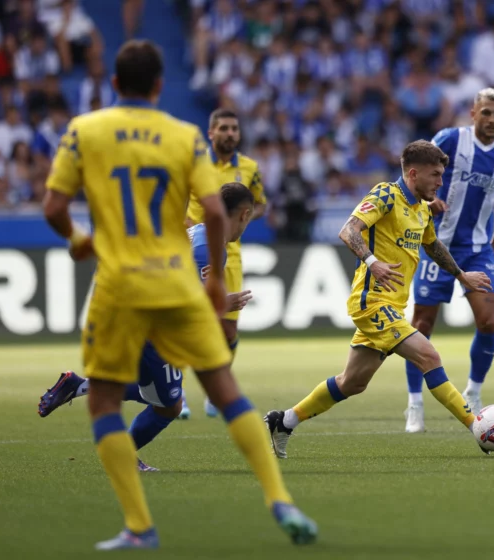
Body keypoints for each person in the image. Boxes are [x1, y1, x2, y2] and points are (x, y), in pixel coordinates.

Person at [42, 40, 315, 550]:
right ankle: (280, 500)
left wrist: (80, 242)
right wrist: (213, 282)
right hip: (171, 282)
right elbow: (214, 213)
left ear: (115, 85)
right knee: (224, 393)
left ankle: (138, 526)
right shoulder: (185, 136)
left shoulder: (84, 130)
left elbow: (54, 207)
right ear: (161, 86)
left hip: (117, 282)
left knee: (104, 399)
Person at [264, 140, 492, 458]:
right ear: (413, 173)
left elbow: (433, 245)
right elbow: (349, 230)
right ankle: (480, 427)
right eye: (436, 175)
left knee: (352, 383)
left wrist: (461, 275)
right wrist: (373, 262)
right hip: (372, 301)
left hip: (393, 305)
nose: (441, 182)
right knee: (428, 356)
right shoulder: (386, 194)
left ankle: (284, 421)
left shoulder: (421, 208)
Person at [37, 183, 255, 473]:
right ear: (244, 214)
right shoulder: (209, 247)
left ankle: (78, 386)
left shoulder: (199, 235)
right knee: (170, 406)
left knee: (149, 389)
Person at [404, 88, 494, 433]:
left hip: (478, 248)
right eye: (485, 113)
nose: (491, 120)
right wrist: (430, 201)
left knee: (488, 322)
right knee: (421, 327)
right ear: (473, 114)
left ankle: (474, 391)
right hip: (436, 243)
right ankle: (414, 403)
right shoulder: (450, 139)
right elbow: (417, 173)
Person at [182, 108, 267, 420]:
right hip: (196, 249)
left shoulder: (249, 168)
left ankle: (212, 393)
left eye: (234, 128)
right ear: (211, 132)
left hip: (230, 257)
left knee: (228, 331)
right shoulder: (193, 163)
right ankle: (175, 392)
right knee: (188, 320)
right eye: (224, 128)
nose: (230, 133)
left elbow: (258, 203)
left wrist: (239, 218)